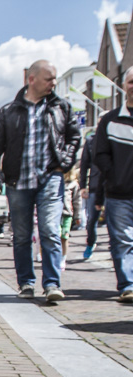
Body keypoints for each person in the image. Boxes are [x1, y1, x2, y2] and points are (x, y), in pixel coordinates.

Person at [0, 60, 81, 302]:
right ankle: (26, 283)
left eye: (54, 78)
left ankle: (52, 284)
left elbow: (74, 137)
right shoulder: (8, 111)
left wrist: (64, 163)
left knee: (50, 231)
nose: (53, 83)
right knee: (22, 235)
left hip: (50, 179)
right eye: (49, 79)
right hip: (18, 182)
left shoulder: (61, 107)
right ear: (31, 79)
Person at [93, 66, 133, 303]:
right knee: (122, 241)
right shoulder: (110, 120)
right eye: (131, 82)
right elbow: (100, 154)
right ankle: (128, 285)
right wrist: (115, 176)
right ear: (125, 86)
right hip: (119, 193)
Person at [78, 131, 102, 259]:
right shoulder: (91, 141)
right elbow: (84, 164)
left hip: (112, 185)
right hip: (95, 185)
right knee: (92, 219)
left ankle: (115, 247)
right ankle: (91, 242)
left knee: (115, 220)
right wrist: (83, 186)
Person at [61, 166, 82, 270]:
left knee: (64, 237)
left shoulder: (73, 184)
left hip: (67, 214)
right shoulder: (55, 180)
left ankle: (63, 258)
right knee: (54, 235)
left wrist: (77, 216)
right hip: (56, 214)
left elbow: (77, 201)